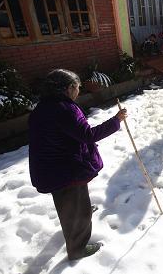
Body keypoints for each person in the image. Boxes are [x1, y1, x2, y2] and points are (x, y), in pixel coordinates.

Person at [28, 69, 127, 261]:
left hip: (51, 166)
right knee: (76, 209)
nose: (78, 91)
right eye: (77, 87)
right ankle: (77, 249)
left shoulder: (43, 107)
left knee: (68, 200)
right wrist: (115, 121)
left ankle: (78, 211)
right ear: (68, 88)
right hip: (66, 168)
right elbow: (87, 135)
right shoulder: (65, 108)